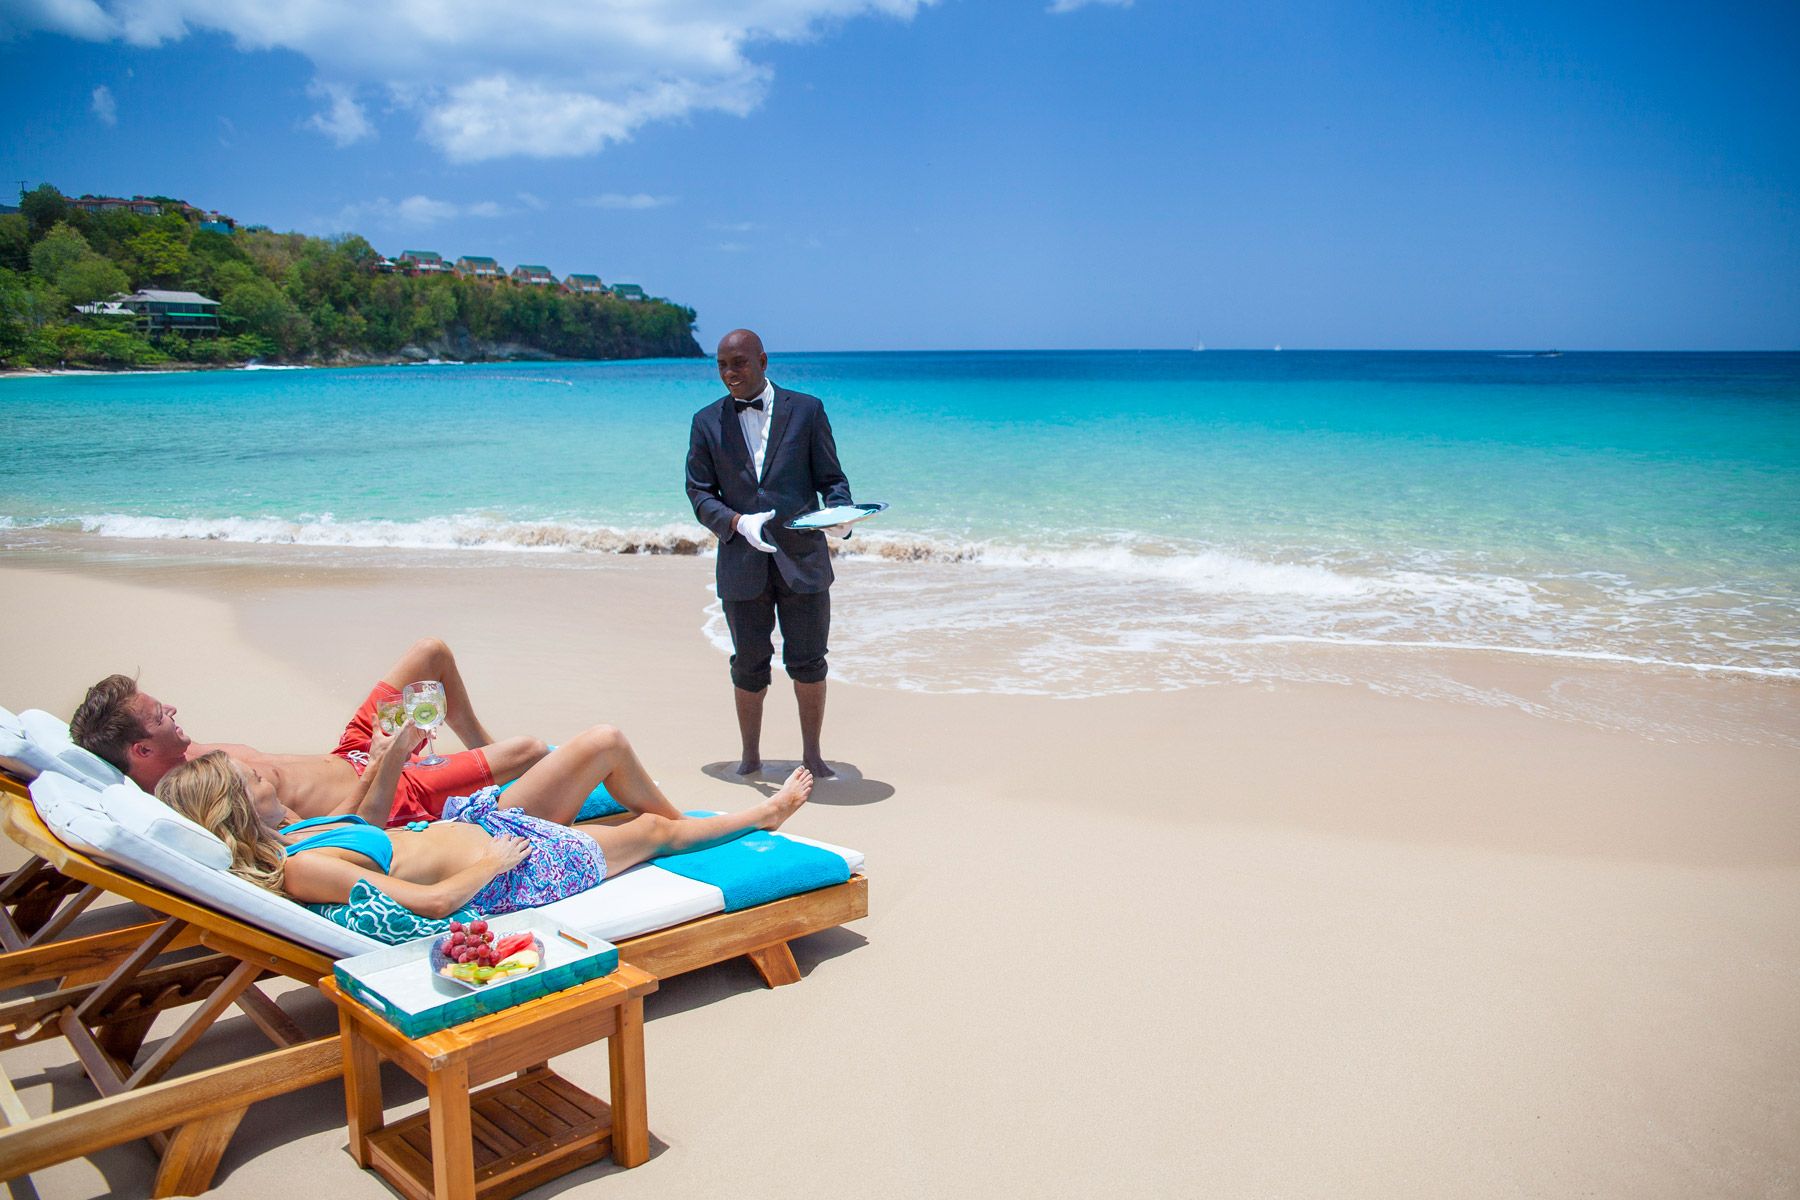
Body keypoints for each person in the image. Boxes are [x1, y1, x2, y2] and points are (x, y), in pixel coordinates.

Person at [154, 724, 815, 916]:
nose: (261, 767)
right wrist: (490, 862)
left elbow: (371, 826)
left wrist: (388, 763)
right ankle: (764, 815)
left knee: (602, 742)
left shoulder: (294, 828)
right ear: (238, 806)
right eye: (252, 776)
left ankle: (683, 834)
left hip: (487, 820)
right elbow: (431, 899)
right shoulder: (302, 867)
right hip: (510, 870)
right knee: (651, 832)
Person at [70, 637, 551, 827]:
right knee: (530, 749)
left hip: (351, 752)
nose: (173, 709)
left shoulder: (189, 750)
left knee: (432, 654)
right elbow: (322, 835)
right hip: (393, 790)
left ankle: (481, 763)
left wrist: (372, 753)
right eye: (160, 715)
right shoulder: (203, 796)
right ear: (142, 748)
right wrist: (385, 768)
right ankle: (489, 779)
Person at [686, 328, 853, 778]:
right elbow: (699, 492)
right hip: (741, 562)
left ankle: (813, 754)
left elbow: (832, 480)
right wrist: (738, 523)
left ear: (762, 360)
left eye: (738, 363)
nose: (729, 373)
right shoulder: (706, 422)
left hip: (803, 560)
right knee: (747, 664)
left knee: (809, 661)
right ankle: (750, 755)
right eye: (721, 365)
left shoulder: (808, 411)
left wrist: (839, 514)